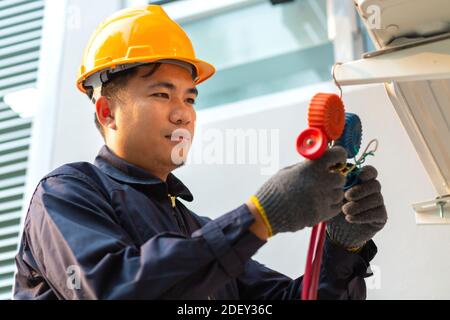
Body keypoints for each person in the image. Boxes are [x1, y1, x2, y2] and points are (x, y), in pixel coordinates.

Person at [13, 5, 387, 300]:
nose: (183, 113)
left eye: (190, 98)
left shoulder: (195, 230)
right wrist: (261, 215)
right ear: (107, 111)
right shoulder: (65, 194)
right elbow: (115, 290)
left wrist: (341, 247)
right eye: (162, 94)